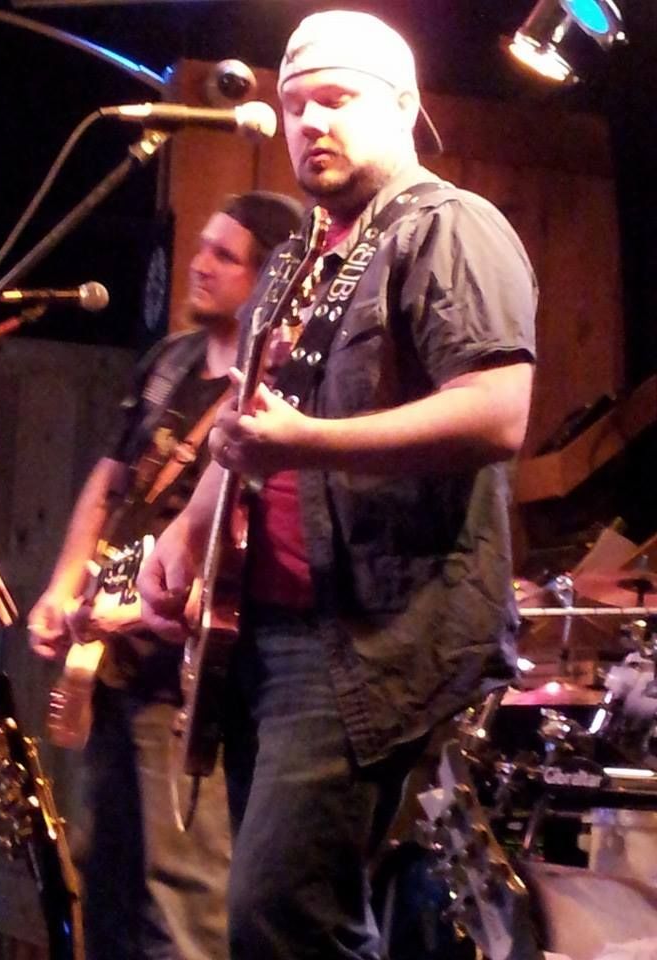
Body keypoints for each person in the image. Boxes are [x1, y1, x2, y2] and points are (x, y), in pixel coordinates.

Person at [137, 10, 538, 960]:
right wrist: (187, 532)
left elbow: (497, 413)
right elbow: (250, 426)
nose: (310, 121)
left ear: (402, 105)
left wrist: (310, 444)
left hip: (366, 634)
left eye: (337, 98)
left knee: (280, 916)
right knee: (288, 923)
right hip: (263, 630)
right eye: (293, 106)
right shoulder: (293, 260)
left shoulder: (449, 226)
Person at [27, 190, 305, 960]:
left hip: (190, 688)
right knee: (106, 879)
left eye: (224, 255)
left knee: (178, 904)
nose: (199, 263)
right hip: (117, 667)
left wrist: (146, 612)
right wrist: (63, 584)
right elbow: (110, 478)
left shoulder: (276, 388)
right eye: (203, 245)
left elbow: (254, 548)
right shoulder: (171, 360)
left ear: (266, 278)